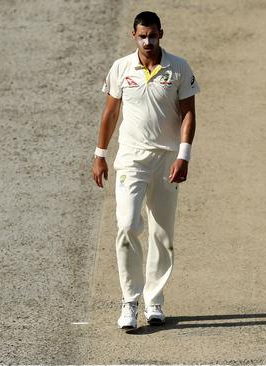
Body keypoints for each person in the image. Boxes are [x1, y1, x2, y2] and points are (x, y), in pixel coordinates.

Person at [92, 11, 199, 329]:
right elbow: (111, 113)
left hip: (167, 161)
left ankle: (154, 302)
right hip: (131, 160)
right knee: (126, 225)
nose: (148, 41)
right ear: (133, 36)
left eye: (153, 35)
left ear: (161, 34)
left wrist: (184, 155)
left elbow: (189, 114)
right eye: (142, 36)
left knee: (162, 234)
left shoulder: (178, 67)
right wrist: (100, 155)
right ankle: (129, 302)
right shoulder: (121, 68)